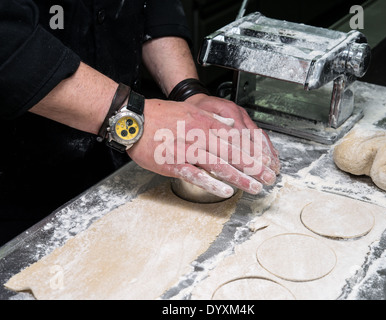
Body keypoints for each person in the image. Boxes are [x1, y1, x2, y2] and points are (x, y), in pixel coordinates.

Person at [0, 0, 280, 245]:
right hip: (18, 190)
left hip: (116, 169)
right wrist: (128, 114)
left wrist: (187, 92)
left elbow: (150, 6)